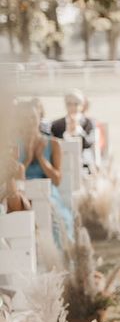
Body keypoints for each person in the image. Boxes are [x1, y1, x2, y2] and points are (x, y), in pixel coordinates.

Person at [16, 100, 74, 245]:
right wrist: (28, 158)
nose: (28, 122)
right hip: (22, 191)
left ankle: (57, 257)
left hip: (48, 192)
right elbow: (13, 178)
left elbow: (57, 180)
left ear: (39, 117)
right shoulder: (13, 145)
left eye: (32, 117)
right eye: (23, 118)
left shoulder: (53, 144)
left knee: (57, 218)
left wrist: (41, 158)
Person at [50, 89, 96, 168]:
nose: (72, 107)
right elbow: (52, 145)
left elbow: (88, 144)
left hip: (83, 164)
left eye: (76, 104)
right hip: (61, 163)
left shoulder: (88, 123)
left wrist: (78, 130)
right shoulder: (56, 124)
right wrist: (66, 134)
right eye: (69, 104)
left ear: (81, 106)